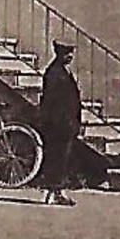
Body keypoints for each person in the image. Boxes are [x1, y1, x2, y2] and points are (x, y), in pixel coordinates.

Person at [38, 40, 82, 206]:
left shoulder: (64, 71)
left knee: (62, 159)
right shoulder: (53, 73)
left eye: (71, 53)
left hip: (67, 124)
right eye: (67, 53)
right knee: (56, 158)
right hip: (58, 124)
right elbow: (49, 101)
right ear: (59, 54)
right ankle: (52, 192)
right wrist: (55, 122)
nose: (70, 56)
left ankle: (57, 191)